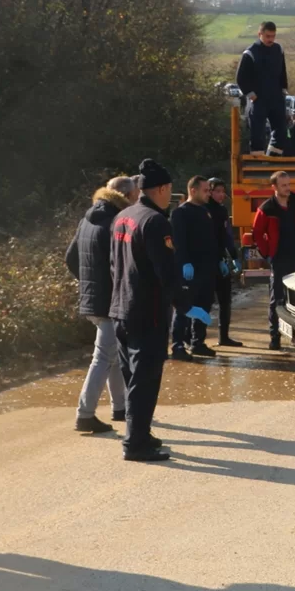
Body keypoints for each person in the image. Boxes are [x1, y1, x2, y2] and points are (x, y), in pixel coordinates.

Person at [109, 158, 194, 462]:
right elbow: (166, 272)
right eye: (169, 190)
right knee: (145, 380)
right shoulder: (156, 222)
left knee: (133, 377)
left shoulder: (123, 216)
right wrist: (185, 305)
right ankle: (135, 444)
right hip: (148, 312)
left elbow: (113, 265)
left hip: (120, 308)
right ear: (161, 189)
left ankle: (141, 433)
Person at [65, 177, 136, 434]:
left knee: (114, 356)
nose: (137, 200)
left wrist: (90, 284)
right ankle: (85, 414)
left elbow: (70, 258)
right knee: (103, 357)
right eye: (136, 195)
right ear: (126, 196)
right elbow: (122, 264)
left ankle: (120, 408)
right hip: (109, 300)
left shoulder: (87, 219)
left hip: (93, 299)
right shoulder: (116, 221)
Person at [251, 171, 295, 351]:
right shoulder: (267, 209)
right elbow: (257, 233)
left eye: (289, 184)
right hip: (280, 258)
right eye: (284, 185)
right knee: (277, 299)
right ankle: (274, 337)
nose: (288, 189)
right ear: (274, 187)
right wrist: (266, 252)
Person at [170, 176, 220, 361]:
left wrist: (219, 261)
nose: (209, 193)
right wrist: (184, 263)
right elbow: (179, 241)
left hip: (207, 269)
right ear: (193, 190)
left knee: (203, 307)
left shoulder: (205, 211)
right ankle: (177, 346)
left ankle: (197, 343)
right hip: (189, 270)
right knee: (184, 308)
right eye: (205, 190)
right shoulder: (180, 213)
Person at [236, 21, 289, 156]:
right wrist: (251, 95)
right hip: (258, 99)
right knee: (257, 134)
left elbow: (282, 71)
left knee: (281, 131)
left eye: (273, 36)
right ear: (260, 34)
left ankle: (272, 161)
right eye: (268, 36)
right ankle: (258, 164)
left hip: (276, 97)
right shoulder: (250, 53)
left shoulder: (279, 49)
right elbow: (240, 78)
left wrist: (283, 89)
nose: (271, 39)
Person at [207, 178, 243, 347]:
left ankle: (224, 336)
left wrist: (234, 257)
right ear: (209, 191)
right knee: (203, 302)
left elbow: (226, 237)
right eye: (217, 191)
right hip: (206, 262)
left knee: (225, 300)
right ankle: (194, 339)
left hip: (221, 260)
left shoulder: (222, 211)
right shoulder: (200, 210)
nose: (221, 195)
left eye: (223, 191)